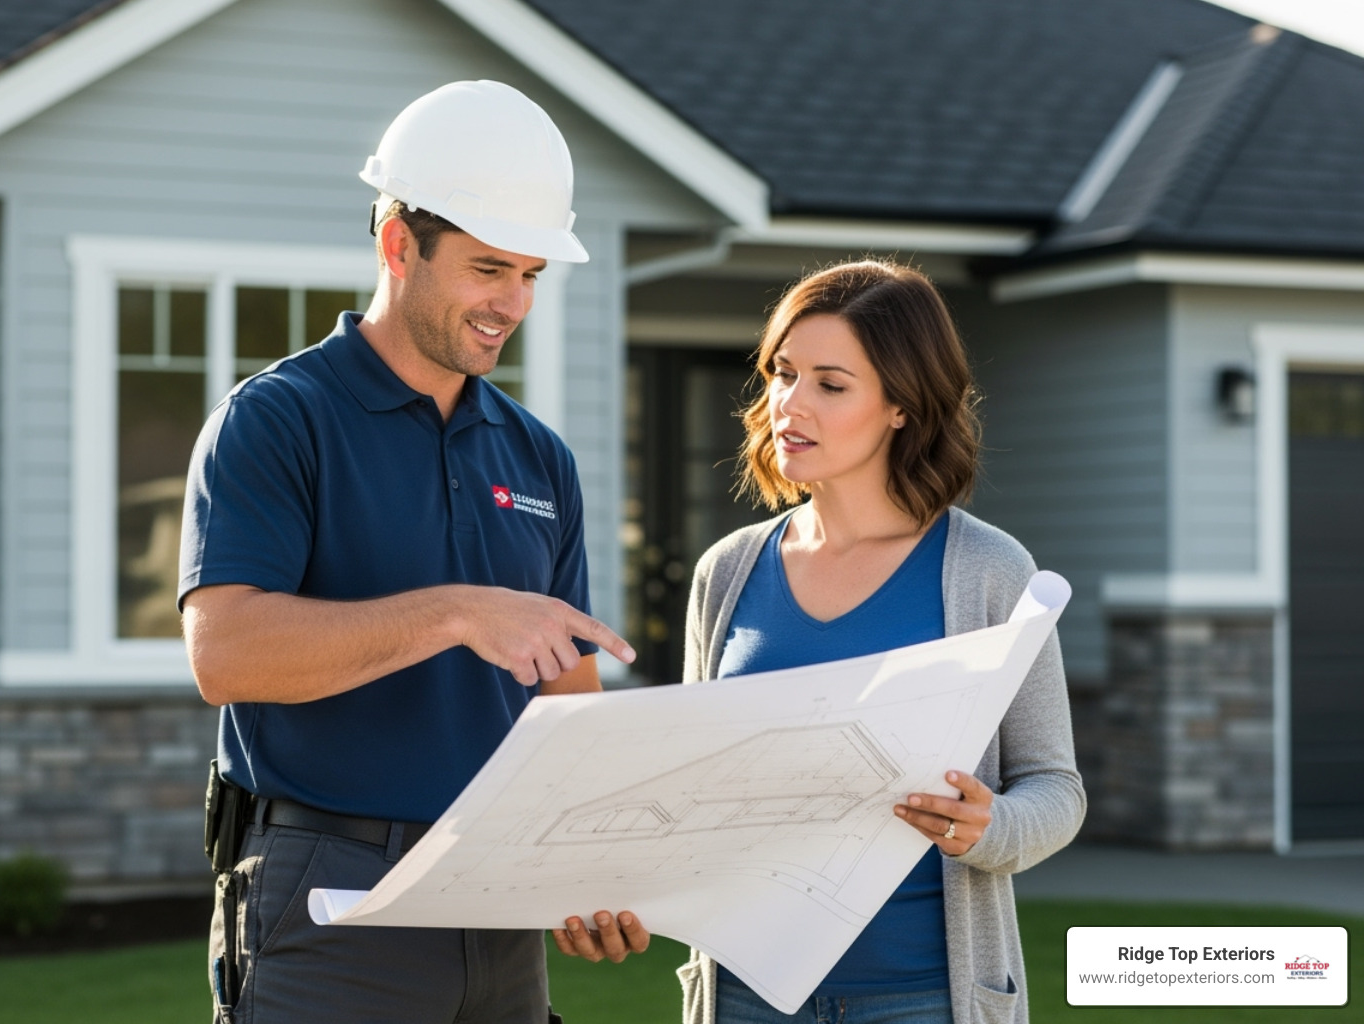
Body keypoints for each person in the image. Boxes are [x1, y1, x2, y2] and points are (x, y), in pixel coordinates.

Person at [179, 80, 648, 1024]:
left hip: (500, 902)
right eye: (487, 269)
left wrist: (595, 866)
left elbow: (566, 712)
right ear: (400, 245)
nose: (511, 303)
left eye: (530, 276)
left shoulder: (537, 456)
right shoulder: (277, 421)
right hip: (330, 899)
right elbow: (224, 655)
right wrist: (459, 611)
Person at [677, 260, 1085, 1024]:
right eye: (783, 372)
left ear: (901, 405)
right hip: (745, 995)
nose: (790, 405)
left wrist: (989, 827)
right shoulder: (727, 571)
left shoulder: (990, 573)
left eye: (831, 384)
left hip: (925, 996)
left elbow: (1056, 790)